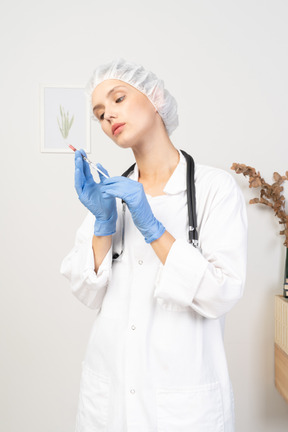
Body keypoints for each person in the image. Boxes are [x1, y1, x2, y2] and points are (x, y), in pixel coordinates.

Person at [60, 58, 247, 432]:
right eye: (99, 114)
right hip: (110, 397)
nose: (108, 116)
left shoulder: (214, 189)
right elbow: (86, 290)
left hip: (184, 403)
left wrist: (151, 226)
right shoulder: (111, 194)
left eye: (118, 99)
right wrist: (103, 222)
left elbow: (222, 292)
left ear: (155, 97)